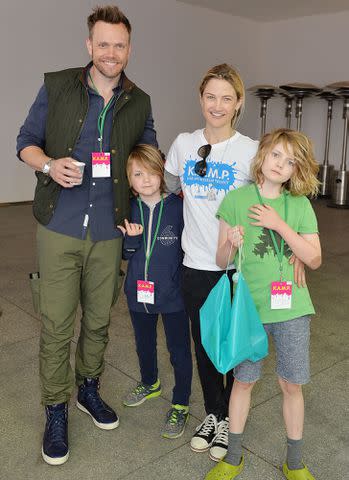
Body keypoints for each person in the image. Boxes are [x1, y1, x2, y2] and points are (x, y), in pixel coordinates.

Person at [16, 5, 157, 466]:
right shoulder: (58, 86)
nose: (111, 53)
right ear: (89, 46)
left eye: (119, 45)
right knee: (56, 325)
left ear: (129, 49)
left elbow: (147, 156)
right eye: (103, 44)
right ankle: (55, 408)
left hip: (108, 228)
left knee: (98, 319)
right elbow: (25, 141)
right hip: (59, 225)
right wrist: (49, 165)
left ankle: (88, 389)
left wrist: (149, 198)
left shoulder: (139, 100)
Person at [206, 128, 321, 480]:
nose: (280, 165)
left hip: (293, 311)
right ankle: (234, 456)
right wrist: (232, 243)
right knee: (243, 382)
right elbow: (220, 258)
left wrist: (279, 225)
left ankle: (295, 462)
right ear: (263, 154)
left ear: (295, 171)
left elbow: (314, 258)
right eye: (276, 155)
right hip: (249, 311)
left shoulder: (299, 205)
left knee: (291, 385)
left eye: (290, 162)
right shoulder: (237, 201)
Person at [165, 64, 259, 461]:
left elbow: (265, 202)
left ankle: (229, 418)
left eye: (226, 98)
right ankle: (214, 416)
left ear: (238, 103)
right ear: (200, 99)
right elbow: (171, 183)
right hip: (196, 265)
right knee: (204, 346)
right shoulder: (184, 144)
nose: (217, 105)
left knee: (233, 347)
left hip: (236, 269)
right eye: (210, 97)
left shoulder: (250, 150)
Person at [119, 144, 192, 439]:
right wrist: (132, 242)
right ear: (129, 178)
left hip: (173, 294)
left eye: (152, 172)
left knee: (179, 351)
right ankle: (150, 382)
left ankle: (181, 402)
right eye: (138, 174)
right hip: (139, 291)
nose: (146, 179)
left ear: (162, 173)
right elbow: (123, 252)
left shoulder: (178, 206)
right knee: (144, 344)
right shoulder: (127, 208)